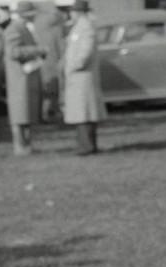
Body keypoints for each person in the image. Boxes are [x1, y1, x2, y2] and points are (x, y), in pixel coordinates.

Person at [3, 1, 47, 155]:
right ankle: (21, 147)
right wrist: (37, 50)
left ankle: (26, 146)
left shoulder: (23, 28)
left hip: (26, 78)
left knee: (26, 113)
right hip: (19, 79)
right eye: (32, 13)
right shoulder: (14, 29)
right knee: (20, 115)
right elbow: (12, 52)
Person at [63, 0, 105, 155]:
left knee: (84, 113)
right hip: (79, 77)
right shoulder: (80, 27)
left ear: (78, 12)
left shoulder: (85, 27)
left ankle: (86, 146)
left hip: (82, 76)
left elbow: (84, 53)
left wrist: (73, 66)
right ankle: (86, 144)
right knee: (82, 112)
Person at [31, 0, 66, 122]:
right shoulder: (56, 25)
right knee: (54, 89)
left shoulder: (37, 22)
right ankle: (52, 112)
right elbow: (61, 45)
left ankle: (44, 113)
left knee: (46, 89)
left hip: (42, 60)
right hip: (53, 61)